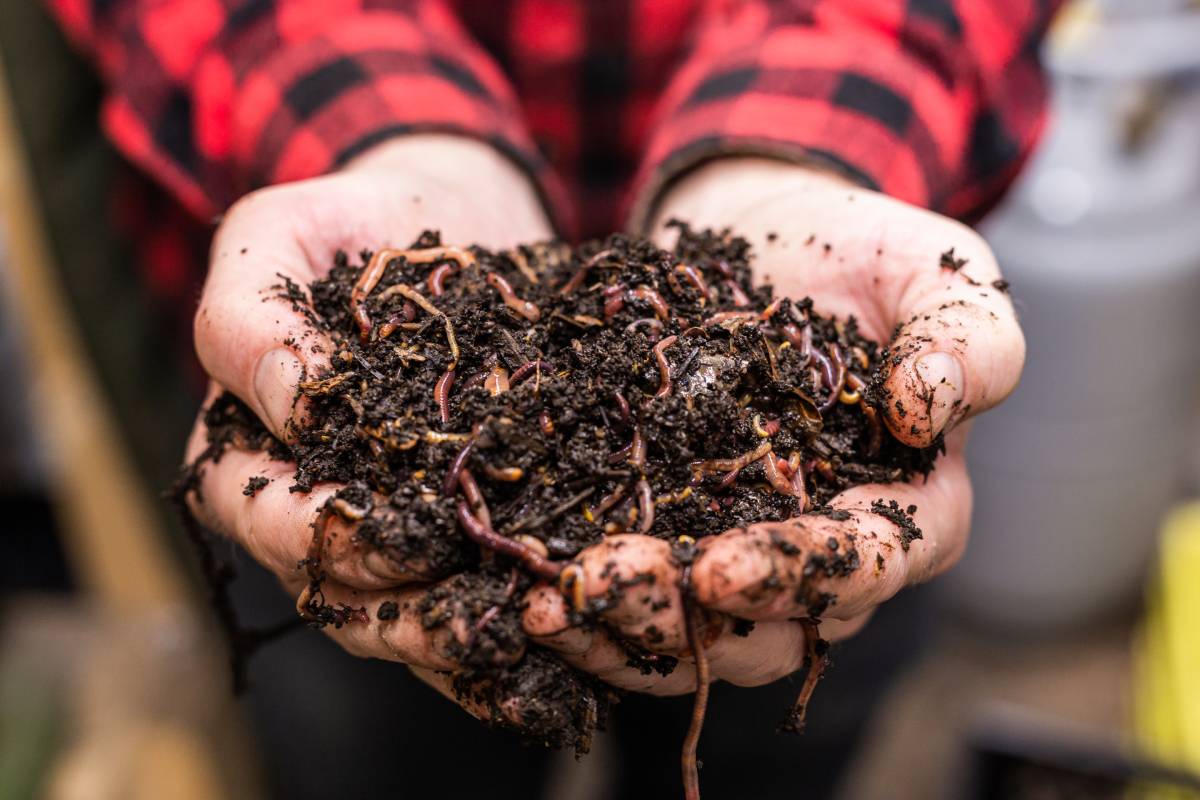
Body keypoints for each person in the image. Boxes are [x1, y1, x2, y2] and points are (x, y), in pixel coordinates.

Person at [45, 1, 1050, 796]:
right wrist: (383, 130)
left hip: (847, 229)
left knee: (784, 682)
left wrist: (792, 142)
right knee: (381, 719)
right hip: (319, 230)